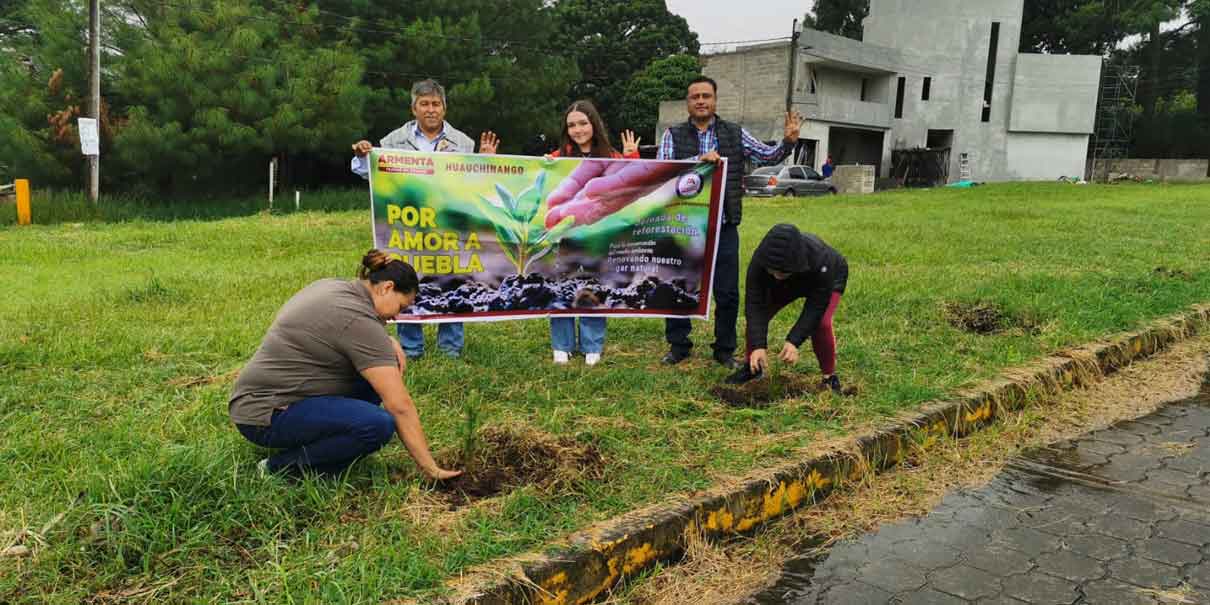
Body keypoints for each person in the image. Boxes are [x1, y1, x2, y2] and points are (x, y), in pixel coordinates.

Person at [229, 250, 460, 479]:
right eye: (400, 307)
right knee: (377, 425)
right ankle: (279, 468)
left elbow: (340, 329)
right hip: (265, 416)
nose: (396, 317)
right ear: (387, 287)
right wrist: (431, 468)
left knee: (378, 373)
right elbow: (399, 405)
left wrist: (387, 339)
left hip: (258, 399)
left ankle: (329, 440)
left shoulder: (335, 287)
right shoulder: (357, 320)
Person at [658, 76, 803, 369]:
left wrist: (788, 141)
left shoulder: (734, 133)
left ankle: (724, 349)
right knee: (678, 285)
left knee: (727, 292)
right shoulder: (672, 135)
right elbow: (664, 172)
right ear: (688, 102)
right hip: (685, 224)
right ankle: (678, 346)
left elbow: (768, 154)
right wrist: (699, 159)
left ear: (715, 100)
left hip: (724, 225)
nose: (700, 101)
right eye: (695, 96)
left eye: (706, 95)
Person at [350, 79, 499, 360]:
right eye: (424, 104)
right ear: (413, 108)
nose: (431, 109)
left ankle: (450, 349)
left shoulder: (463, 143)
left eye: (436, 104)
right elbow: (372, 175)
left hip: (448, 228)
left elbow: (475, 186)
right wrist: (362, 157)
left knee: (453, 281)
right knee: (405, 278)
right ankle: (411, 348)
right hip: (406, 228)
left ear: (444, 108)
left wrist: (485, 162)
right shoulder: (392, 141)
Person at [543, 100, 640, 366]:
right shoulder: (556, 158)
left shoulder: (613, 157)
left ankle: (592, 343)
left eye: (583, 123)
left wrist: (632, 158)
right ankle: (561, 345)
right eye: (571, 125)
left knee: (594, 285)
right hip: (566, 234)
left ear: (594, 124)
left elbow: (633, 185)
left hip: (600, 234)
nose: (578, 129)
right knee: (561, 285)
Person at [726, 224, 848, 393]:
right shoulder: (760, 261)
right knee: (759, 317)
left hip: (829, 276)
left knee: (822, 324)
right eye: (772, 271)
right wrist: (758, 345)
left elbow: (816, 306)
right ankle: (753, 366)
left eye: (782, 272)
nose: (776, 275)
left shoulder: (821, 259)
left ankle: (829, 377)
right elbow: (755, 306)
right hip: (791, 280)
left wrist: (794, 341)